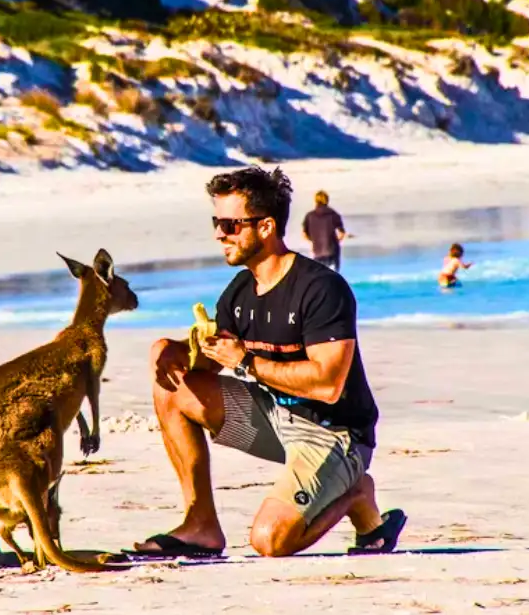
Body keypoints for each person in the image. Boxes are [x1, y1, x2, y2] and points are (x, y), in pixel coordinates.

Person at [129, 166, 405, 559]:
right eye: (216, 221)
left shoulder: (321, 288)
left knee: (271, 541)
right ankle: (201, 526)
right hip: (274, 417)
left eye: (230, 224)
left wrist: (245, 361)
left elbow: (328, 384)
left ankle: (357, 494)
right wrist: (174, 351)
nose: (219, 234)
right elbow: (208, 366)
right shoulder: (240, 290)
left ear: (265, 227)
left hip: (335, 433)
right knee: (172, 388)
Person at [301, 190, 347, 272]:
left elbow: (304, 234)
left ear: (315, 200)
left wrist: (314, 241)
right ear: (327, 200)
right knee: (334, 277)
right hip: (332, 251)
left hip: (317, 252)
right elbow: (342, 233)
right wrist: (336, 241)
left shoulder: (309, 216)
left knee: (319, 277)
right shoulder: (333, 214)